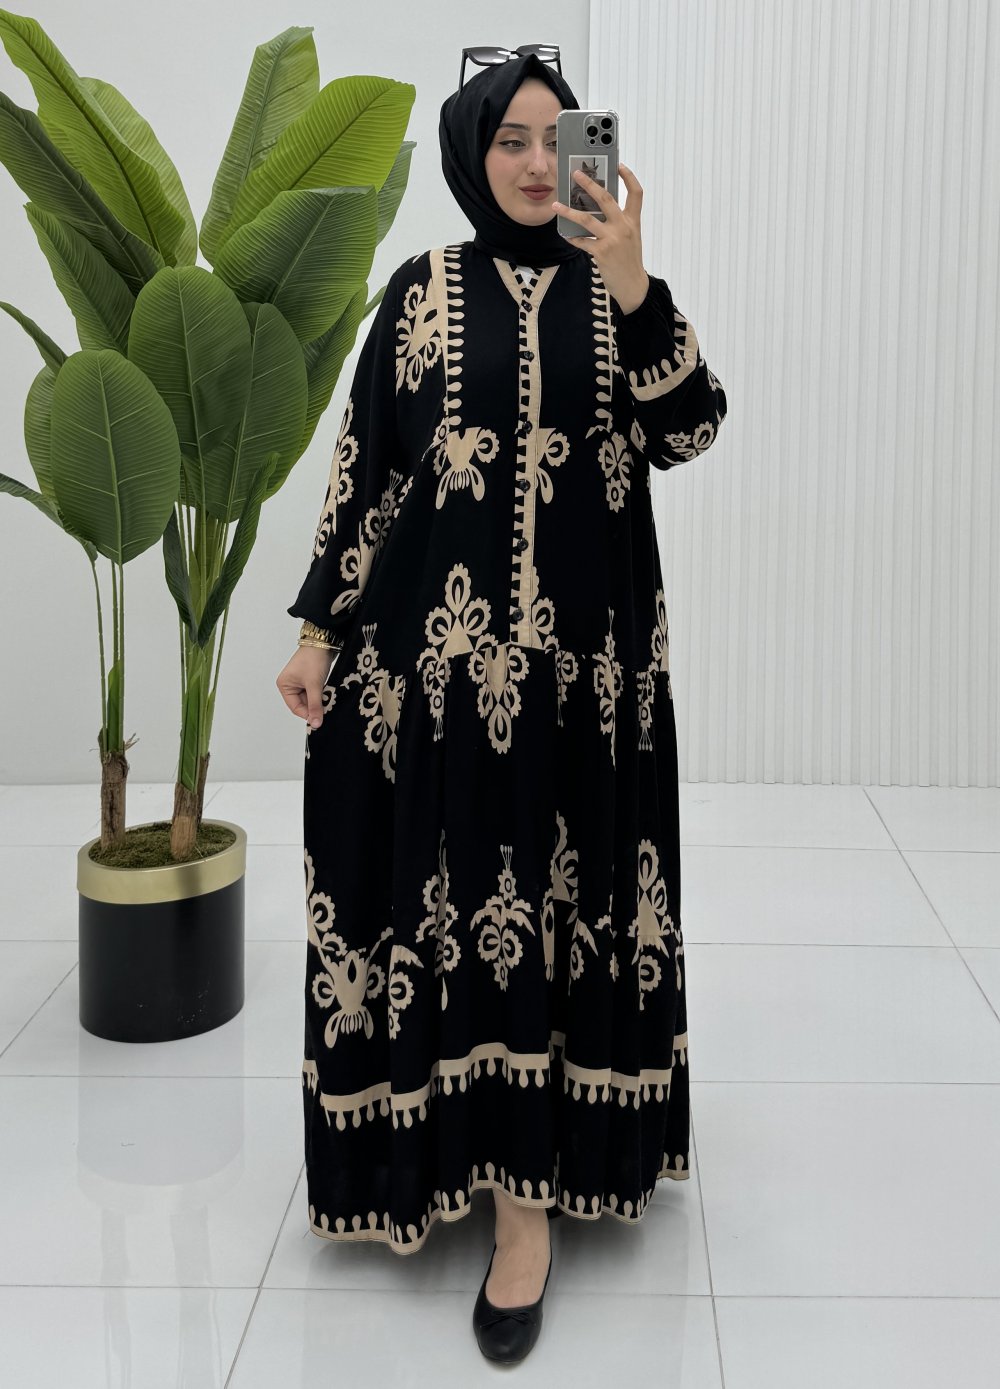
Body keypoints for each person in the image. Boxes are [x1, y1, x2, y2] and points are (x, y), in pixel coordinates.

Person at [276, 49, 727, 1365]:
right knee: (455, 910)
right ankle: (452, 1159)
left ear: (587, 153)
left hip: (587, 687)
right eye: (510, 140)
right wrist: (318, 629)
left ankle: (529, 1211)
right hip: (442, 684)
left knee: (560, 917)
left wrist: (636, 284)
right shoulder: (420, 290)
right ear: (474, 155)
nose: (536, 163)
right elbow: (368, 470)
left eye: (555, 138)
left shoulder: (616, 289)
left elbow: (692, 428)